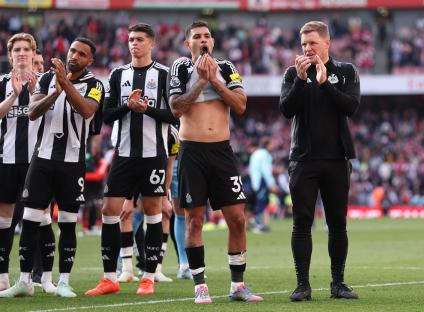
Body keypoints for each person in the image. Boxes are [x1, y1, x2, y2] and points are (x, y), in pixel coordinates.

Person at [0, 36, 104, 298]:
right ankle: (24, 281)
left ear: (90, 60)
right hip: (42, 159)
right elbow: (32, 111)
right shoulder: (47, 80)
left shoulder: (95, 85)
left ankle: (63, 281)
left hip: (72, 162)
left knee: (68, 223)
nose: (74, 56)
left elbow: (87, 111)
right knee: (30, 220)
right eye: (72, 50)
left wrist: (65, 84)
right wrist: (53, 93)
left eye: (82, 54)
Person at [168, 20, 263, 304]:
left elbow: (241, 105)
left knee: (236, 218)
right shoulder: (181, 68)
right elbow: (176, 108)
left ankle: (237, 286)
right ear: (188, 44)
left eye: (207, 35)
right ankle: (200, 286)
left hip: (221, 152)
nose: (203, 39)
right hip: (192, 152)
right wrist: (200, 82)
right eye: (197, 36)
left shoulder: (226, 67)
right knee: (194, 220)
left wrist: (215, 81)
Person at [85, 23, 177, 296]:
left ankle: (148, 276)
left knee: (153, 213)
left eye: (139, 39)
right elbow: (107, 115)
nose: (133, 44)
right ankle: (109, 278)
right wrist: (128, 105)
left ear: (151, 44)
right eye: (131, 40)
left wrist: (146, 110)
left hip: (153, 156)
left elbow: (175, 116)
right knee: (110, 211)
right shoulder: (117, 74)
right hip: (123, 155)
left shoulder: (164, 74)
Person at [279, 21, 360, 301]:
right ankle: (303, 285)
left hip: (337, 158)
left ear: (327, 43)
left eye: (312, 43)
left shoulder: (346, 71)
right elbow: (286, 110)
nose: (307, 48)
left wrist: (325, 84)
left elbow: (350, 107)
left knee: (337, 223)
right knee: (301, 222)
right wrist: (302, 81)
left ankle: (338, 283)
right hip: (303, 159)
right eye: (303, 44)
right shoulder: (293, 74)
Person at [0, 33, 55, 294]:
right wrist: (13, 96)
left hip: (38, 161)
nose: (21, 53)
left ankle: (43, 279)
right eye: (17, 49)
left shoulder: (46, 83)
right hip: (7, 159)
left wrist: (34, 93)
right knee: (4, 220)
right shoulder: (1, 83)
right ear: (10, 54)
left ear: (34, 54)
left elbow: (54, 115)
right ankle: (2, 277)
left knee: (41, 218)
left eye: (26, 49)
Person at [248, 137, 278, 233]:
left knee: (258, 203)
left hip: (255, 182)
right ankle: (258, 225)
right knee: (260, 203)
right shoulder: (264, 155)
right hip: (262, 181)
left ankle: (256, 223)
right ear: (267, 145)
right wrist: (272, 184)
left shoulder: (255, 154)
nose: (272, 146)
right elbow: (266, 171)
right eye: (271, 144)